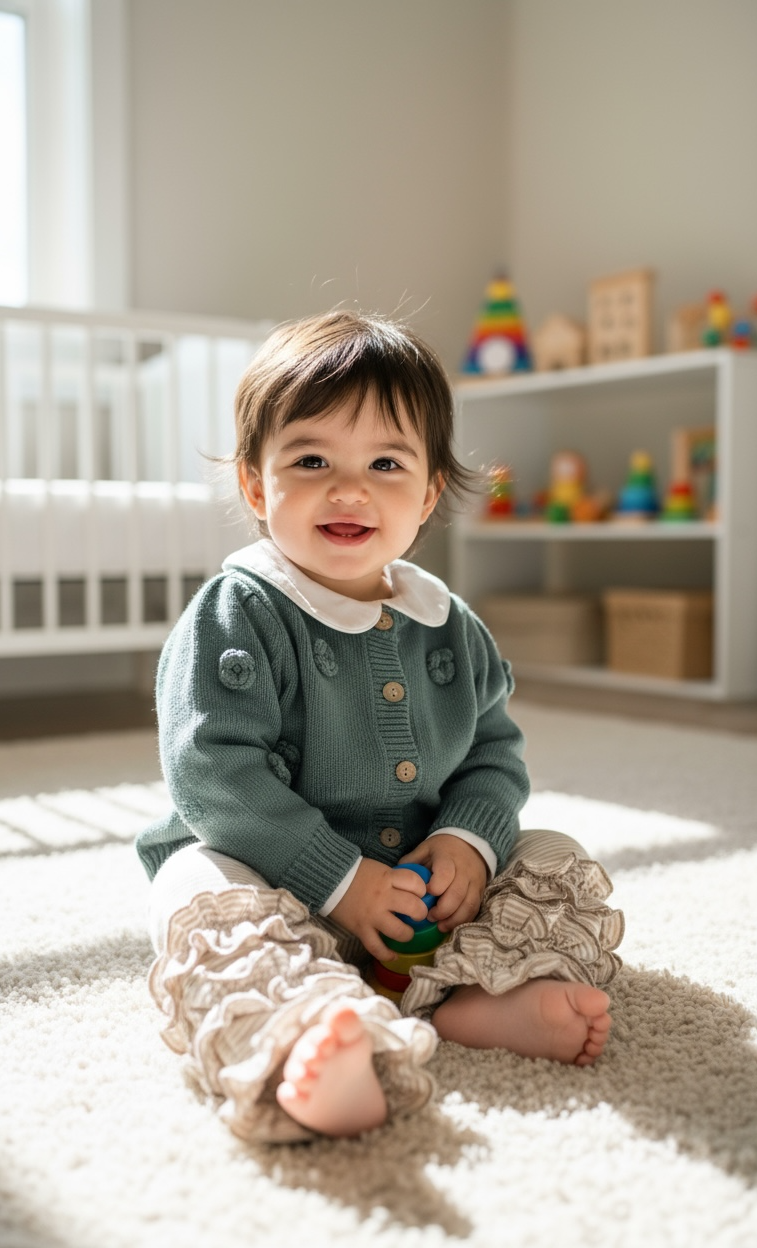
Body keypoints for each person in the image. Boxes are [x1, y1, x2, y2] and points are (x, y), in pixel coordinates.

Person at [136, 311, 624, 1143]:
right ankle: (301, 1036)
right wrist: (342, 880)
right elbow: (213, 774)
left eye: (386, 463)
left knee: (553, 857)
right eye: (311, 459)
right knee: (194, 886)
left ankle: (480, 998)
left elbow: (492, 754)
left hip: (426, 897)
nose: (349, 488)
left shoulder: (451, 624)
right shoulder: (239, 611)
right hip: (277, 885)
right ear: (258, 486)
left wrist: (469, 841)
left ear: (430, 493)